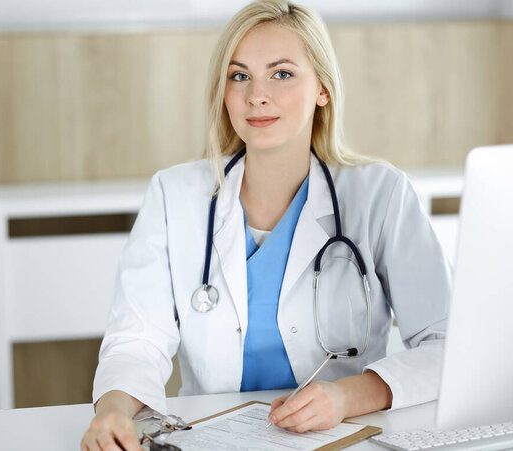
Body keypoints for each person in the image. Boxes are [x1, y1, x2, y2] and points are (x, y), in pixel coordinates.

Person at [81, 1, 451, 449]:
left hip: (347, 437)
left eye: (281, 74)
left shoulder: (380, 195)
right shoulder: (174, 195)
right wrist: (113, 413)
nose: (257, 94)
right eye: (239, 76)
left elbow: (446, 342)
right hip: (213, 439)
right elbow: (136, 341)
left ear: (323, 89)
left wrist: (347, 396)